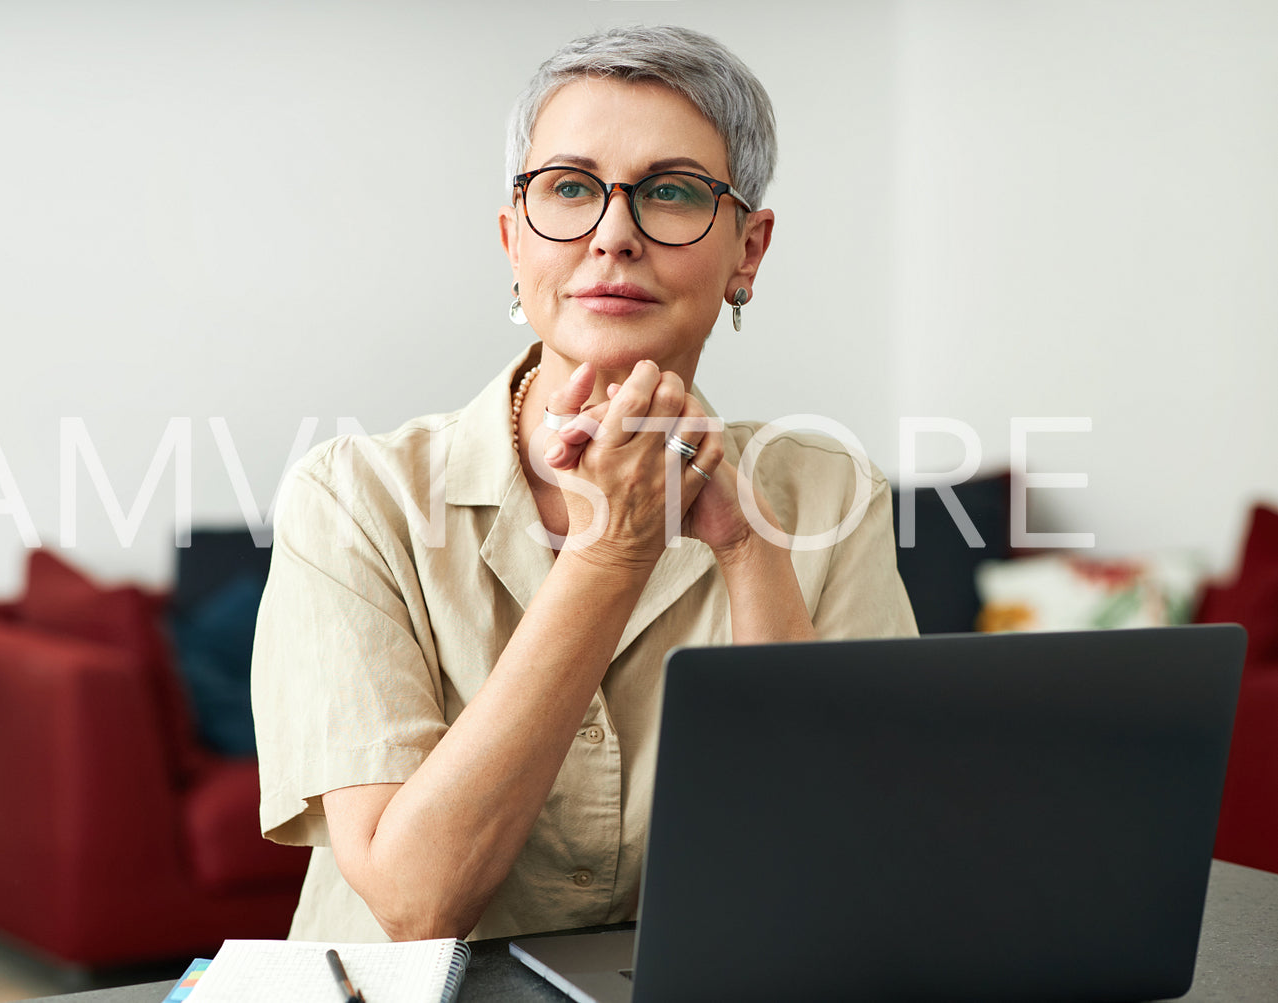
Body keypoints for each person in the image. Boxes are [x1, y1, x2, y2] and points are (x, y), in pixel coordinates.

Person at [251, 24, 917, 944]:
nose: (612, 236)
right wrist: (613, 551)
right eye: (568, 188)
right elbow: (416, 898)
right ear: (512, 241)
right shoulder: (351, 498)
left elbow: (842, 863)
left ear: (747, 252)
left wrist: (743, 547)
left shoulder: (830, 492)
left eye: (672, 192)